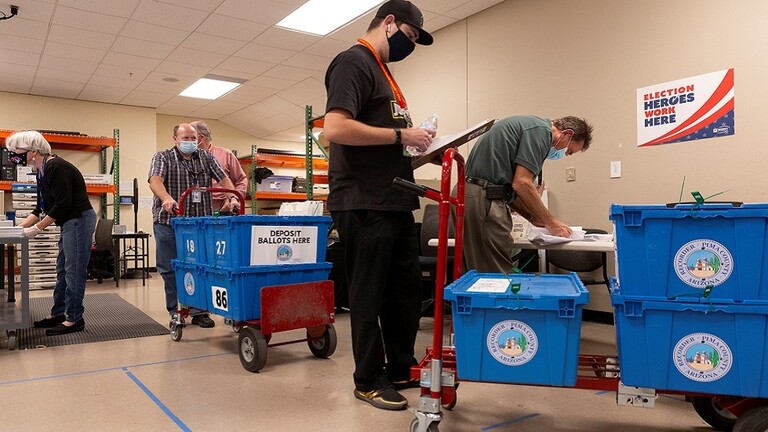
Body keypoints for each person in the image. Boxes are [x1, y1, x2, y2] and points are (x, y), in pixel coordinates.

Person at [323, 0, 435, 411]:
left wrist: (424, 146)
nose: (410, 45)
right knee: (369, 296)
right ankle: (368, 379)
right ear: (389, 22)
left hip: (395, 198)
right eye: (409, 36)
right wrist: (402, 136)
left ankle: (400, 368)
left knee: (404, 293)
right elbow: (335, 128)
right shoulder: (353, 62)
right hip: (363, 200)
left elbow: (387, 141)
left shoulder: (383, 73)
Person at [461, 115, 593, 273]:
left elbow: (508, 189)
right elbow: (522, 183)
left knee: (476, 270)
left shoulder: (530, 126)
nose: (563, 154)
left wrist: (532, 217)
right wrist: (552, 223)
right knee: (496, 276)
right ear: (567, 134)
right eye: (568, 151)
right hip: (483, 197)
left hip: (474, 194)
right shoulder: (541, 133)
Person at [6, 130, 97, 335]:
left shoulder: (56, 167)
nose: (14, 155)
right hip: (69, 221)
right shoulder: (42, 170)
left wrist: (37, 228)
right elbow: (41, 208)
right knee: (63, 269)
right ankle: (59, 313)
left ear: (34, 150)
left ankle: (74, 319)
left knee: (74, 270)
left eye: (17, 150)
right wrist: (17, 229)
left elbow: (63, 204)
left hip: (79, 219)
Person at [148, 123, 239, 328]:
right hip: (169, 221)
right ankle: (175, 311)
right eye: (185, 138)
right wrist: (166, 198)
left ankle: (199, 311)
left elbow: (224, 179)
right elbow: (155, 181)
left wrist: (232, 197)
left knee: (201, 266)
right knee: (170, 268)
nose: (190, 142)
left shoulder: (206, 157)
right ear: (175, 139)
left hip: (198, 225)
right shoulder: (163, 157)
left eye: (193, 138)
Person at [190, 121, 248, 212]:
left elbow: (241, 180)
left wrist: (233, 199)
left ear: (200, 137)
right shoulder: (187, 157)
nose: (187, 141)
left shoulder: (225, 154)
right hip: (195, 209)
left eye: (191, 136)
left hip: (221, 210)